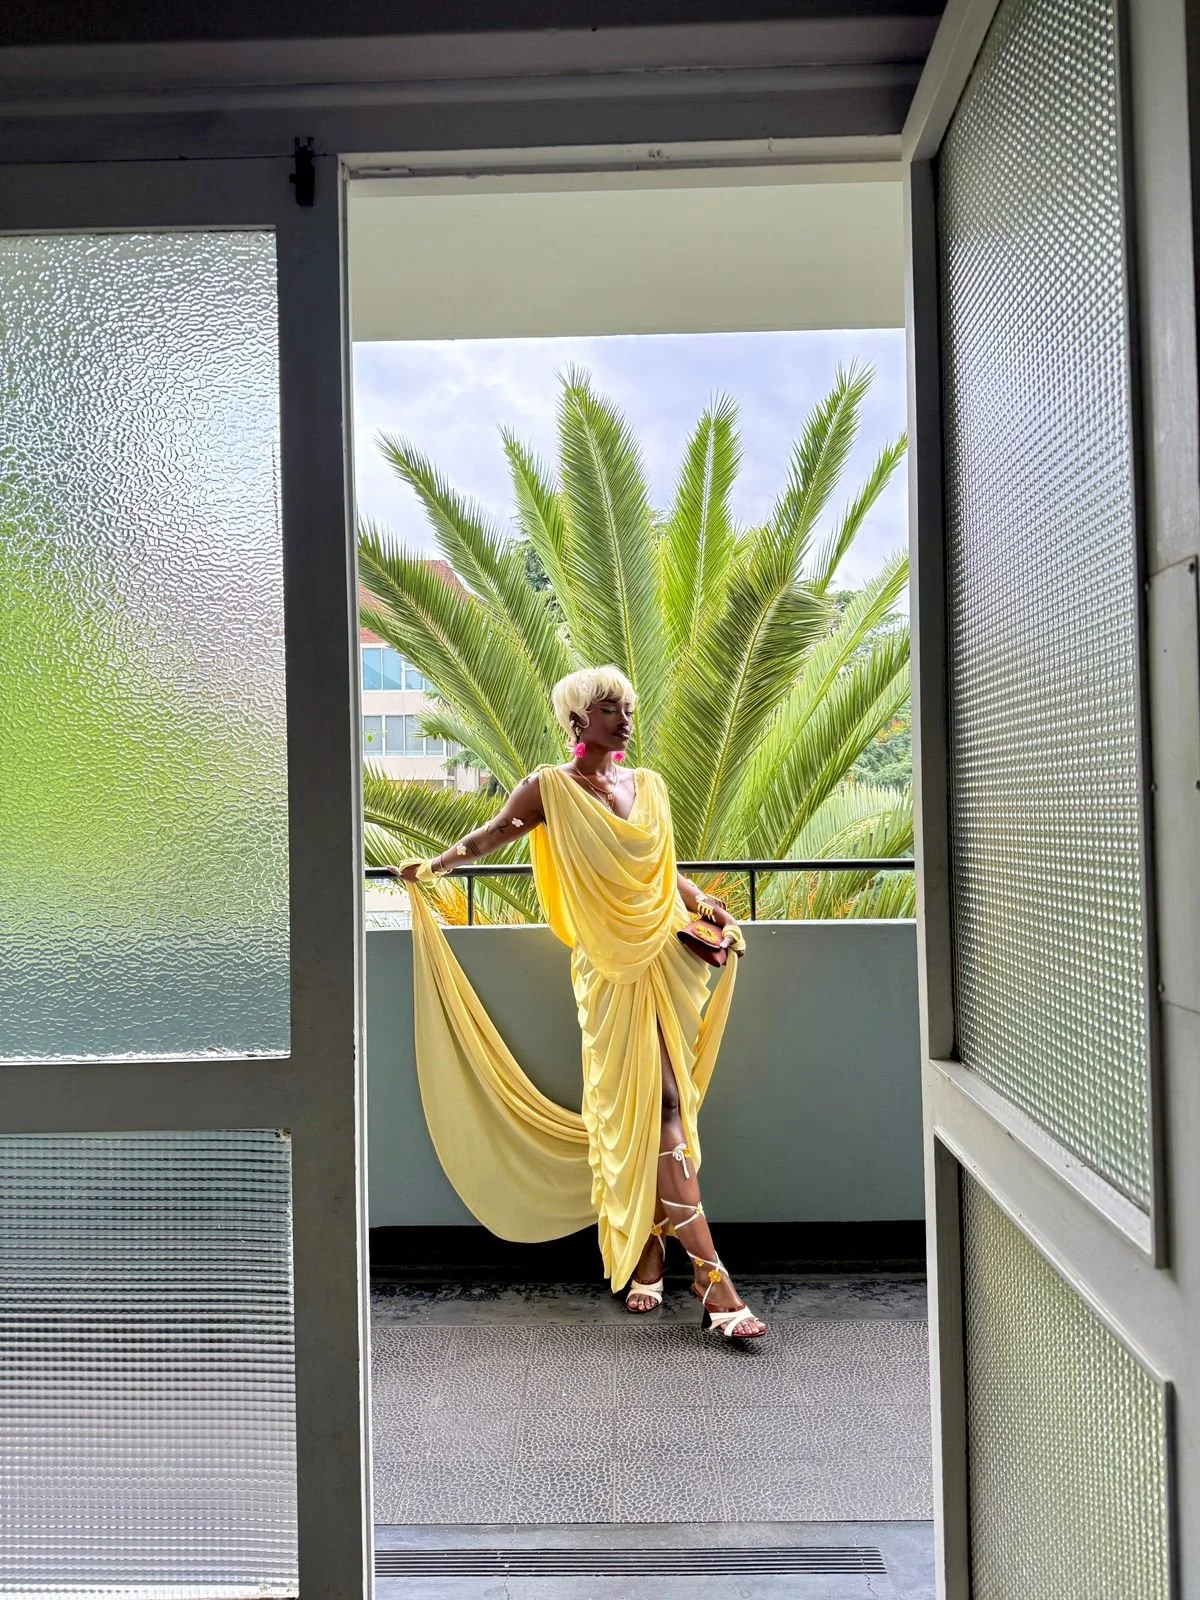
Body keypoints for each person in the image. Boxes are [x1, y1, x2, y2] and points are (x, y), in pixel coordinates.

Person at [389, 665, 766, 1341]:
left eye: (627, 707)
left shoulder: (649, 785)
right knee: (643, 1108)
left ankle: (654, 1250)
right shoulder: (549, 787)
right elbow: (491, 834)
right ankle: (711, 1279)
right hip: (607, 969)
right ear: (576, 721)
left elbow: (663, 869)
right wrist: (433, 867)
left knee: (664, 1105)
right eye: (610, 708)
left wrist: (702, 900)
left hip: (662, 955)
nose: (625, 719)